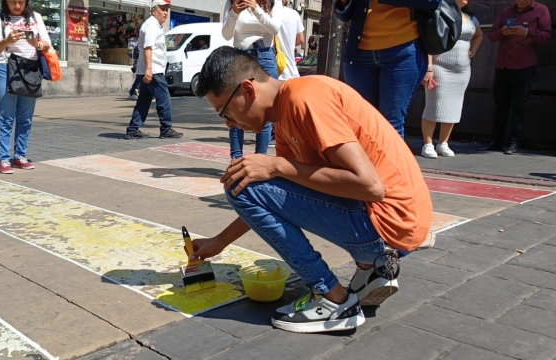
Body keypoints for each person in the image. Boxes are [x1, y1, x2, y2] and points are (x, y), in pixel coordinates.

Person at [193, 46, 433, 333]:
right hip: (400, 223)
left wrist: (277, 166)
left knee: (240, 185)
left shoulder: (307, 97)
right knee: (251, 182)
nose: (230, 124)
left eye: (225, 113)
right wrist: (220, 241)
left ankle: (334, 302)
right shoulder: (287, 115)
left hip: (391, 222)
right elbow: (277, 199)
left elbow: (371, 186)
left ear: (247, 89)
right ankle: (372, 269)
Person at [334, 0, 441, 139]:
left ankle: (389, 161)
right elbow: (344, 14)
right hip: (358, 55)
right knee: (361, 122)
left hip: (402, 53)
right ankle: (366, 161)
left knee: (390, 124)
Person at [478, 0, 551, 155]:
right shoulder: (506, 12)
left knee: (519, 106)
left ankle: (515, 142)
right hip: (503, 65)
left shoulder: (541, 10)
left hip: (524, 66)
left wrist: (527, 33)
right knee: (500, 106)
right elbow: (491, 35)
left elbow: (546, 36)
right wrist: (503, 32)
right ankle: (496, 141)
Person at [0, 0, 51, 174]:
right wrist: (7, 40)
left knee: (26, 117)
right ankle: (3, 159)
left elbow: (47, 43)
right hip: (6, 67)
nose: (17, 6)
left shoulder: (35, 17)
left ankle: (20, 156)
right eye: (13, 2)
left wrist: (36, 44)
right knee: (6, 116)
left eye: (21, 2)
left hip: (30, 69)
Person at [420, 0, 483, 158]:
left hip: (462, 70)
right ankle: (428, 144)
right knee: (434, 105)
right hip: (440, 67)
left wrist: (473, 50)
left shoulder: (470, 17)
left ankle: (443, 143)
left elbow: (479, 35)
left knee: (454, 106)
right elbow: (428, 41)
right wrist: (429, 67)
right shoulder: (438, 13)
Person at [222, 0, 280, 157]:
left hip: (265, 57)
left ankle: (259, 160)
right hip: (240, 56)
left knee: (265, 111)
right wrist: (234, 12)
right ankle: (236, 160)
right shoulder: (232, 2)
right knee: (235, 109)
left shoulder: (272, 1)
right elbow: (226, 35)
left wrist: (256, 8)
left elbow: (275, 29)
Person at [124, 0, 183, 139]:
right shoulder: (151, 25)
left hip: (149, 70)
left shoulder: (155, 25)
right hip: (153, 71)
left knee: (144, 100)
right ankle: (166, 128)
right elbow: (148, 48)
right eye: (162, 9)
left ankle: (133, 129)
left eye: (166, 10)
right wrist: (149, 70)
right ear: (153, 10)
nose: (165, 13)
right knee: (164, 99)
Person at [277, 0, 305, 80]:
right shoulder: (294, 14)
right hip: (292, 72)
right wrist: (289, 44)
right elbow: (301, 39)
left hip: (276, 72)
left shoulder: (267, 14)